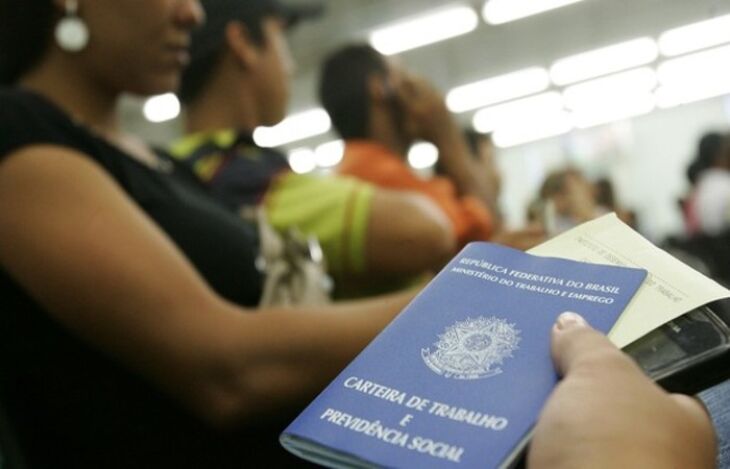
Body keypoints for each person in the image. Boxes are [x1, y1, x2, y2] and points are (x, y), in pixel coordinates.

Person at [0, 0, 421, 466]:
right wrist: (452, 301)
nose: (192, 14)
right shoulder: (18, 134)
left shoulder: (167, 167)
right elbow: (229, 369)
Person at [170, 0, 455, 297]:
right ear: (243, 43)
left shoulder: (174, 170)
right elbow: (426, 231)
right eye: (281, 36)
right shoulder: (235, 175)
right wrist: (448, 140)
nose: (290, 65)